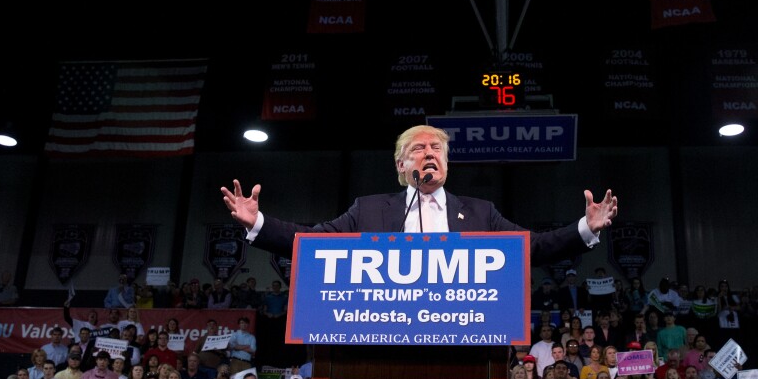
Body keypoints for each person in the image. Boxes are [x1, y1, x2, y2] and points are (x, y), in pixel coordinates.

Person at [220, 125, 619, 266]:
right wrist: (258, 222)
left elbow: (533, 248)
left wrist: (585, 227)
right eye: (419, 149)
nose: (430, 154)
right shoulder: (369, 209)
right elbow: (312, 243)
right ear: (400, 165)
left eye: (437, 149)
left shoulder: (481, 213)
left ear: (446, 162)